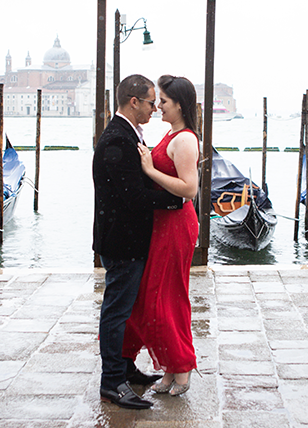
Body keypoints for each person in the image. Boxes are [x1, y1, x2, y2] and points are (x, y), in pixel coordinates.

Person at [93, 74, 184, 410]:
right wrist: (176, 201)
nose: (154, 108)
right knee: (116, 312)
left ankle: (126, 369)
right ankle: (111, 382)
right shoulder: (117, 141)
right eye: (150, 103)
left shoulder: (126, 134)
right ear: (134, 101)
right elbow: (133, 197)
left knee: (126, 311)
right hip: (122, 243)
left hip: (126, 240)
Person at [122, 74, 200, 397]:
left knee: (170, 296)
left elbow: (190, 189)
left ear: (179, 105)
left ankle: (182, 367)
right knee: (157, 297)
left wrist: (150, 170)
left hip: (177, 223)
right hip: (163, 223)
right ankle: (170, 368)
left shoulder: (184, 140)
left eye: (163, 102)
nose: (158, 107)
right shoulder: (172, 134)